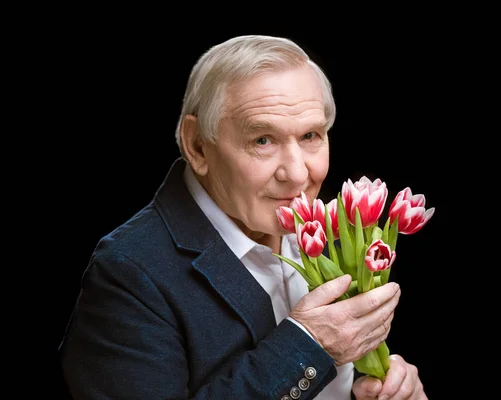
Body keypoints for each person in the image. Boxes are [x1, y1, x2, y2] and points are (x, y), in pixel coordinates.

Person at [58, 34, 428, 399]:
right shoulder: (127, 273)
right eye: (262, 140)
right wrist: (309, 347)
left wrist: (386, 389)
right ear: (198, 145)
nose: (298, 174)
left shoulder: (340, 231)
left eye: (311, 135)